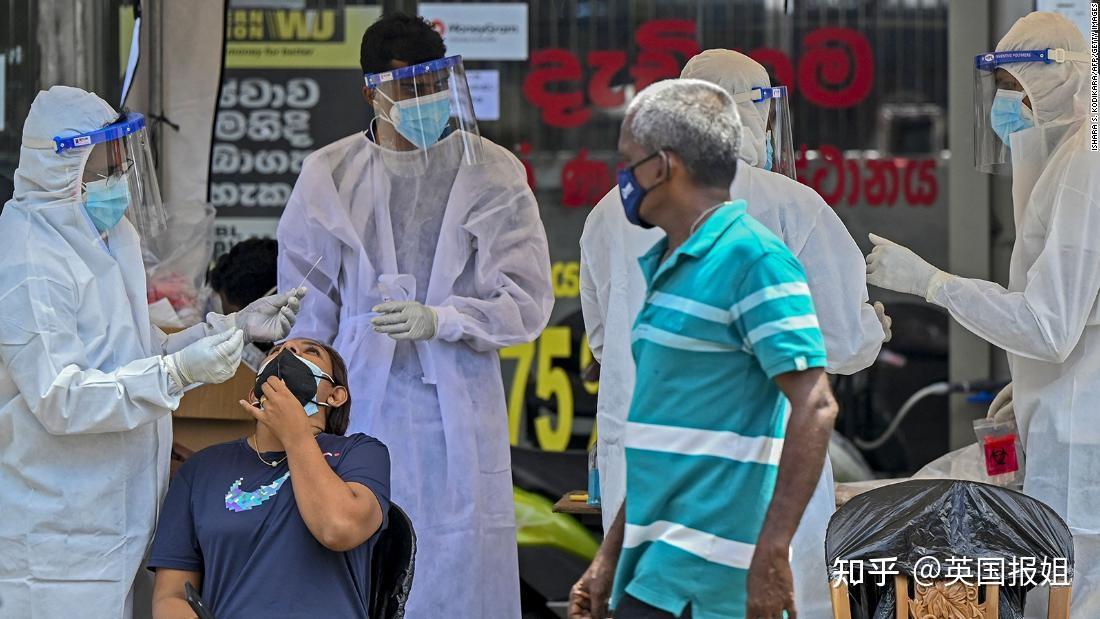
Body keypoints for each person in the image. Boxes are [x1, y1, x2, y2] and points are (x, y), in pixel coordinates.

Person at [579, 49, 888, 617]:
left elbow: (604, 342)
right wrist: (872, 328)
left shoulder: (609, 214)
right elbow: (838, 343)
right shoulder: (793, 207)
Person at [277, 14, 553, 618]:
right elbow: (305, 313)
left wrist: (445, 319)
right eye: (408, 88)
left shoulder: (490, 170)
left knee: (460, 568)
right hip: (359, 410)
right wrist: (305, 410)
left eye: (435, 86)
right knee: (363, 570)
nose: (425, 101)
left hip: (458, 414)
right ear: (369, 89)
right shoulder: (331, 175)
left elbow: (528, 301)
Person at [0, 86, 303, 617]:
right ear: (60, 165)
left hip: (118, 521)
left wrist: (231, 326)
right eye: (103, 166)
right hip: (58, 540)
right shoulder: (29, 259)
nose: (117, 179)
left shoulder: (108, 236)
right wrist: (176, 374)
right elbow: (62, 397)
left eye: (121, 163)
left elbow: (138, 351)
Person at [864, 12, 1097, 616]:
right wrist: (1029, 392)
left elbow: (1049, 327)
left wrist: (932, 283)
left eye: (1015, 91)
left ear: (1059, 83)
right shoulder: (1069, 162)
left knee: (1073, 598)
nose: (1003, 108)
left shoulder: (1084, 169)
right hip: (1067, 422)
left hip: (1083, 453)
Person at [148, 338, 390, 618]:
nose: (289, 352)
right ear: (254, 395)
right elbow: (172, 594)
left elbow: (338, 528)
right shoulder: (201, 468)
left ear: (336, 396)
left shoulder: (360, 453)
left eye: (311, 351)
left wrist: (296, 433)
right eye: (276, 351)